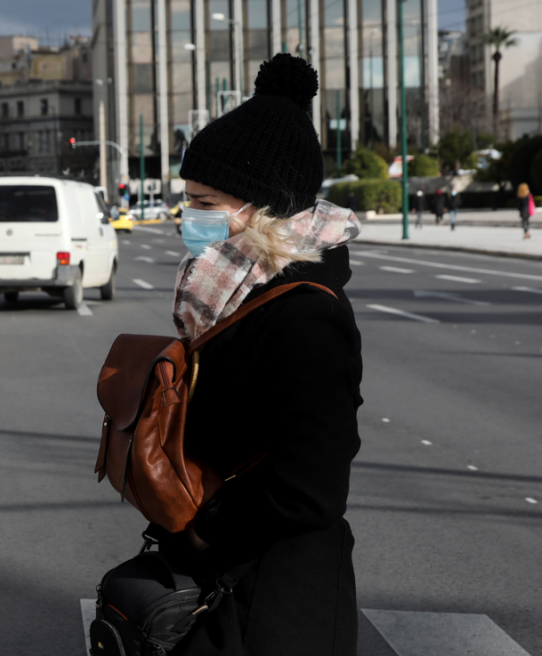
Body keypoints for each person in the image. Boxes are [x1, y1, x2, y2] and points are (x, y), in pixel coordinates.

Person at [162, 53, 363, 656]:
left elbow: (311, 491)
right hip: (231, 581)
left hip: (275, 602)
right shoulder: (234, 290)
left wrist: (204, 529)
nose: (188, 217)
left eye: (204, 202)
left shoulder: (308, 315)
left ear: (260, 208)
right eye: (189, 199)